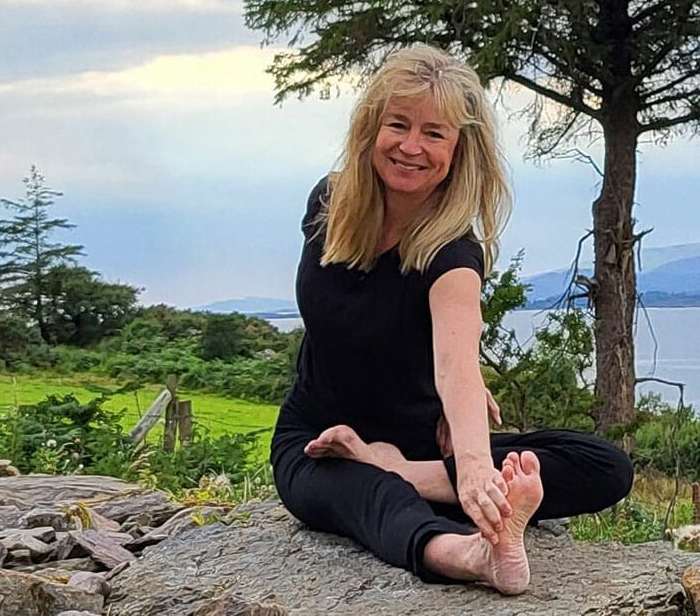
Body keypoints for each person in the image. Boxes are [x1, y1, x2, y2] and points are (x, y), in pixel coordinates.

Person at [270, 44, 633, 595]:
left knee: (604, 464)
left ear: (460, 149)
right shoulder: (329, 204)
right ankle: (469, 555)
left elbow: (457, 369)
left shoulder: (453, 255)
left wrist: (474, 467)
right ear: (371, 128)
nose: (411, 147)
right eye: (399, 125)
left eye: (435, 134)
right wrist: (464, 474)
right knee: (365, 492)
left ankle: (412, 477)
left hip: (421, 444)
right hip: (319, 439)